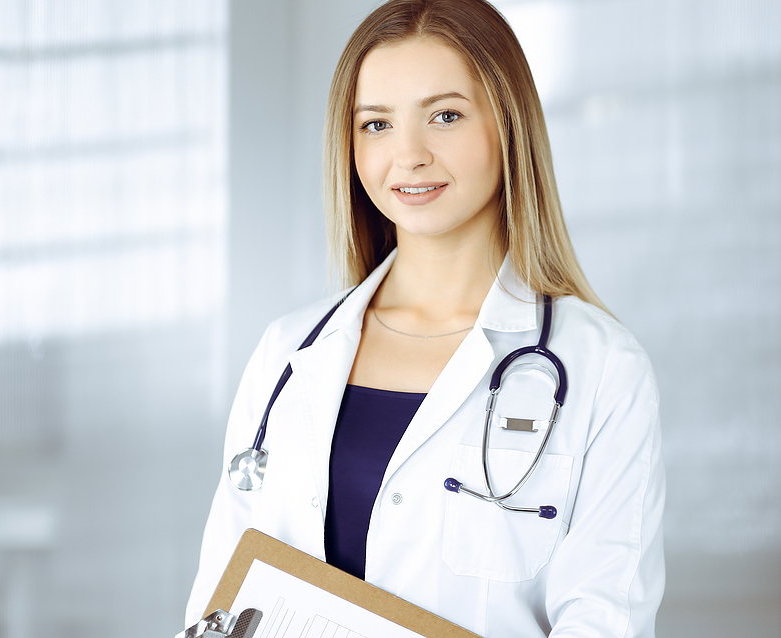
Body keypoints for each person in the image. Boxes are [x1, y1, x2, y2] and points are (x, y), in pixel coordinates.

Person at [185, 0, 665, 636]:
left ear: (509, 124)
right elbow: (219, 604)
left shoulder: (600, 368)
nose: (408, 155)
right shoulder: (288, 353)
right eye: (376, 124)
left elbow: (604, 619)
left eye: (445, 116)